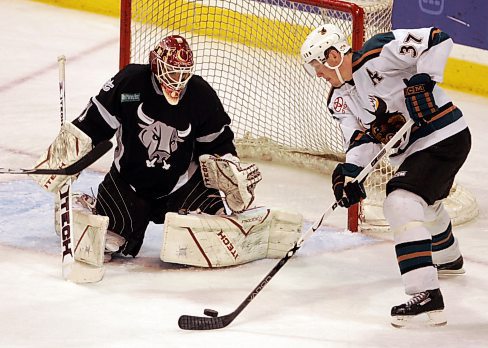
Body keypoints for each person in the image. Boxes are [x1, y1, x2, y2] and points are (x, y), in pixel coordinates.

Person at [31, 35, 302, 272]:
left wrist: (230, 170)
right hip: (129, 185)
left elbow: (219, 144)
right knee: (108, 241)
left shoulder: (200, 94)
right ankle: (84, 205)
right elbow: (93, 124)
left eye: (183, 73)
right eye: (172, 72)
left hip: (183, 184)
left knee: (213, 232)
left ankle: (232, 219)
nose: (179, 80)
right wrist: (67, 155)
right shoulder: (129, 83)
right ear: (156, 64)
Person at [301, 24, 471, 327]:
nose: (317, 74)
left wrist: (424, 80)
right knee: (424, 205)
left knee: (400, 202)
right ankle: (448, 256)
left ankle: (425, 293)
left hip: (443, 135)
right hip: (412, 152)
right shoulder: (339, 101)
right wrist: (349, 175)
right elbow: (360, 142)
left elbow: (437, 38)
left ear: (331, 55)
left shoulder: (379, 52)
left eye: (317, 65)